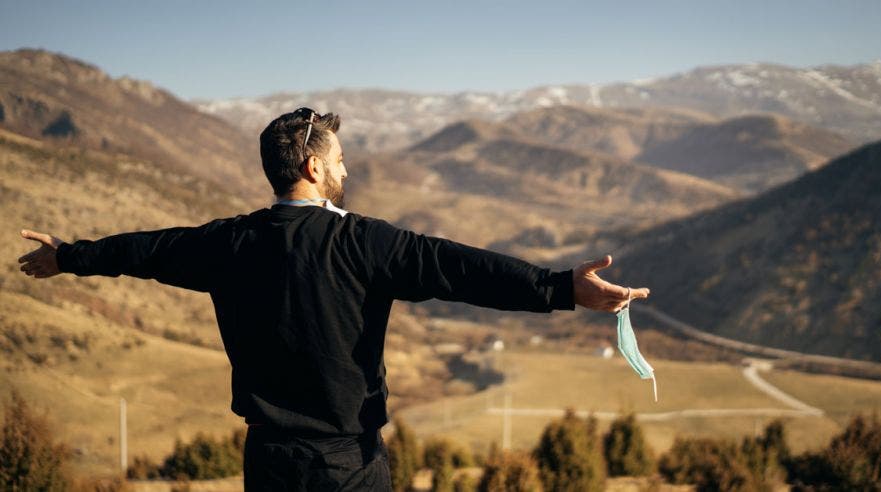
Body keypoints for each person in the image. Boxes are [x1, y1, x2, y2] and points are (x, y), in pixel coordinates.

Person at [17, 107, 649, 491]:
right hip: (349, 466)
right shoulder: (362, 243)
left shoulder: (225, 244)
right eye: (340, 160)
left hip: (266, 461)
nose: (346, 171)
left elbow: (144, 252)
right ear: (314, 169)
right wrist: (561, 288)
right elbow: (460, 269)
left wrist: (68, 256)